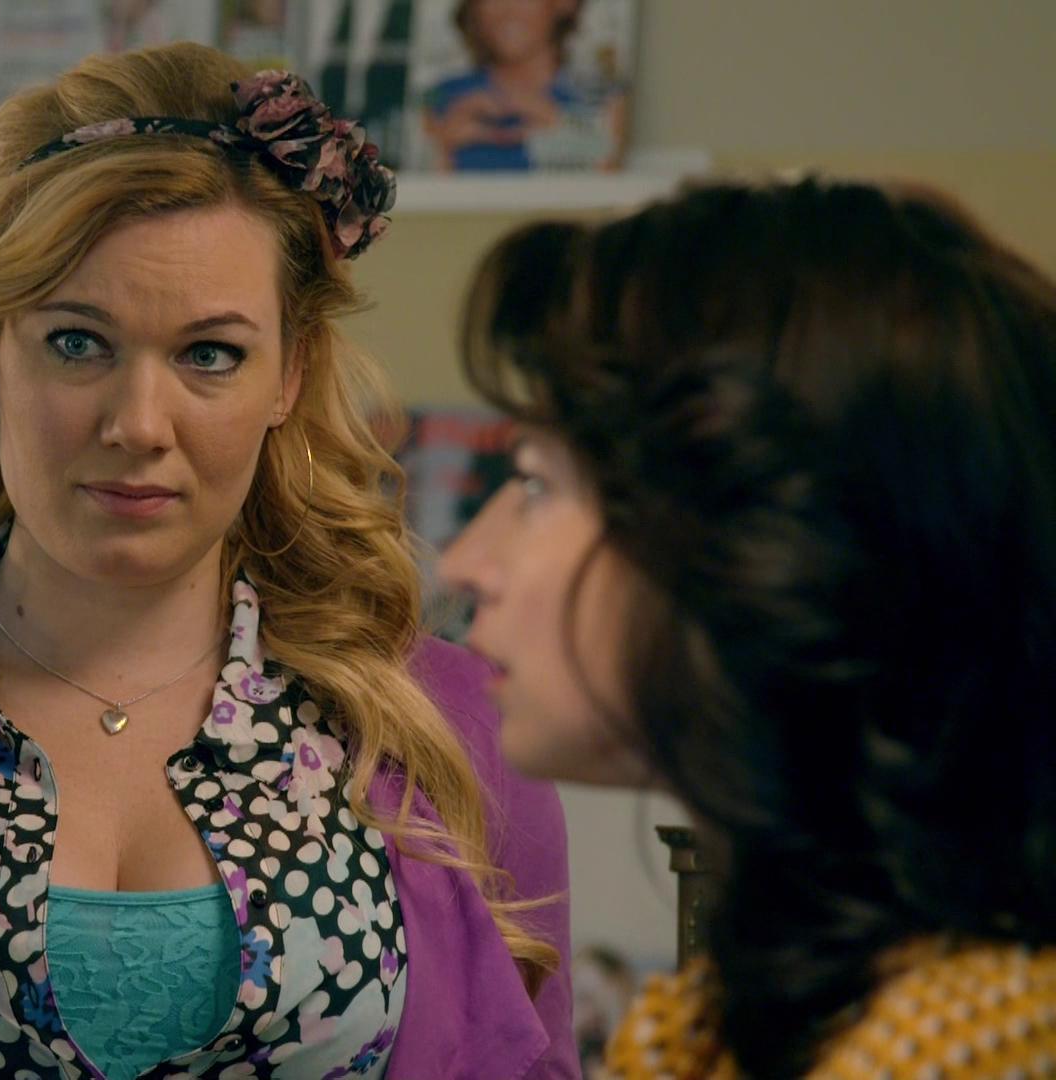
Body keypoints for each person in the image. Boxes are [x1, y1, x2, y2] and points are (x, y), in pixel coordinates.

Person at [0, 41, 577, 1079]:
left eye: (210, 355)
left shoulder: (456, 734)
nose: (139, 424)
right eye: (79, 343)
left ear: (288, 377)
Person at [439, 177, 1056, 1077]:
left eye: (536, 485)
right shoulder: (732, 1018)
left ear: (764, 548)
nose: (464, 563)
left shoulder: (946, 1053)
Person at [420, 0, 626, 172]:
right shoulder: (440, 97)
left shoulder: (604, 99)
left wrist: (558, 124)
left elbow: (610, 184)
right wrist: (442, 148)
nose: (507, 10)